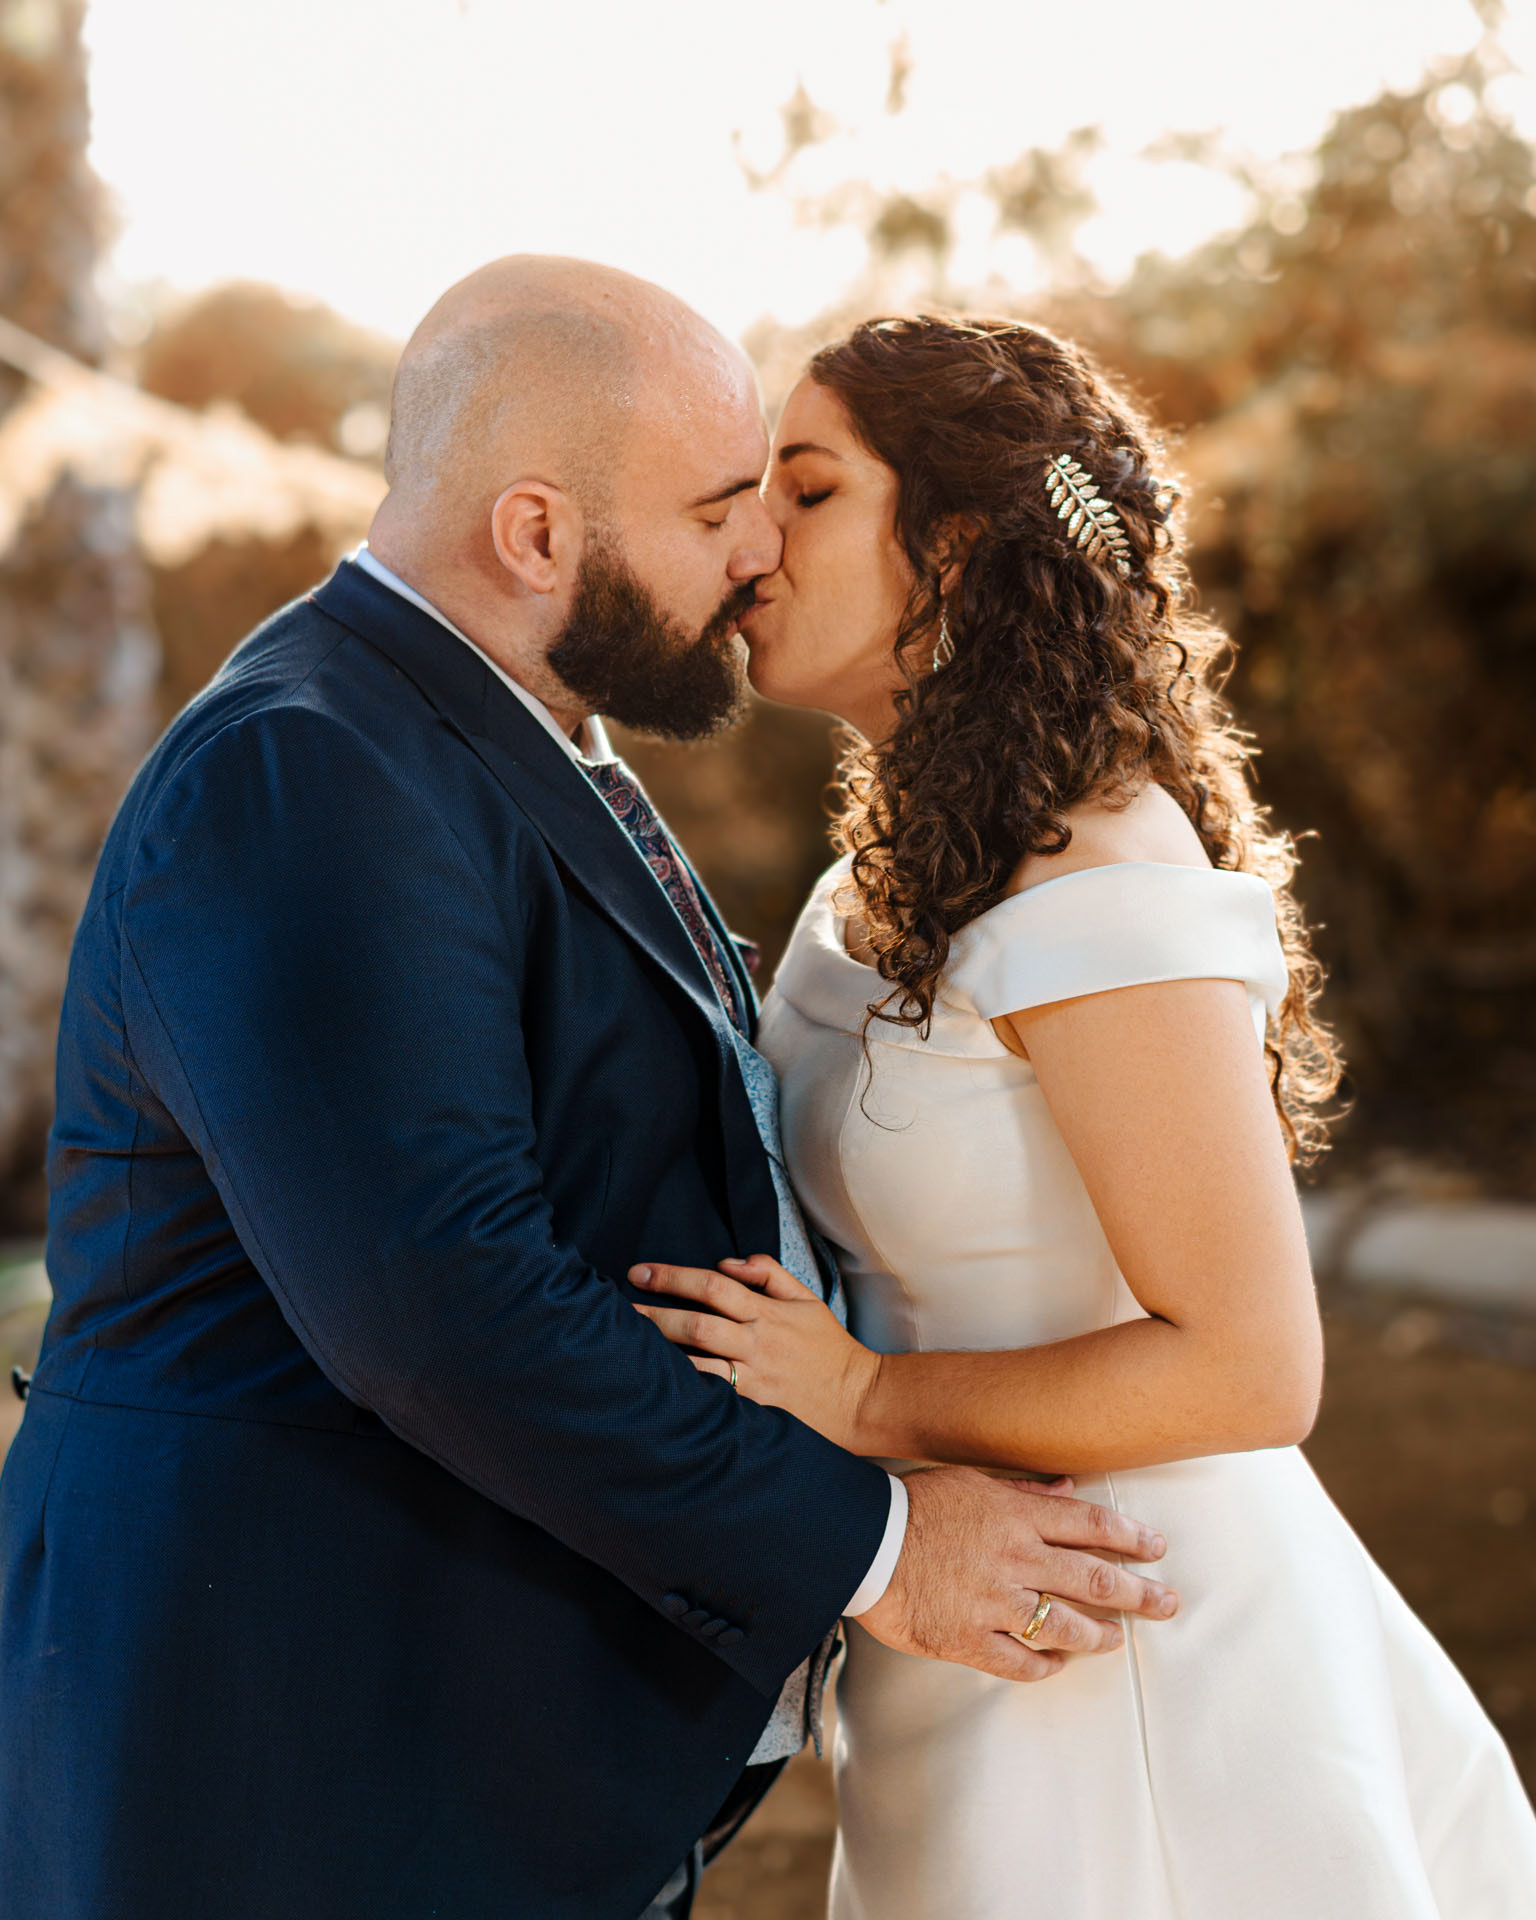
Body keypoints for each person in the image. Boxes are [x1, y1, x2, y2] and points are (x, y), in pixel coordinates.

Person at [0, 264, 1180, 1920]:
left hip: (459, 1746)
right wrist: (884, 1550)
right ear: (537, 535)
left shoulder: (501, 734)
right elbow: (443, 1308)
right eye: (718, 511)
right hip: (292, 1760)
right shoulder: (310, 764)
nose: (760, 548)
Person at [631, 313, 1536, 1918]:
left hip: (1137, 1663)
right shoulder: (895, 867)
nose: (755, 541)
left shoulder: (1096, 874)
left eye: (813, 490)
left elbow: (1254, 1364)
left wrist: (863, 1399)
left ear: (963, 550)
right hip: (968, 1638)